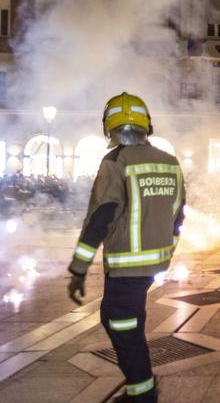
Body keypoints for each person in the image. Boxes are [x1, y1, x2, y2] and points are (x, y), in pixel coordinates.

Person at [67, 92, 185, 403]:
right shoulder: (170, 162)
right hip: (154, 262)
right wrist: (167, 250)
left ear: (111, 128)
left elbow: (102, 215)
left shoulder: (115, 161)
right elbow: (178, 214)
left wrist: (79, 268)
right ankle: (139, 389)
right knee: (128, 321)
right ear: (147, 126)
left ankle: (143, 393)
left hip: (125, 264)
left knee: (121, 323)